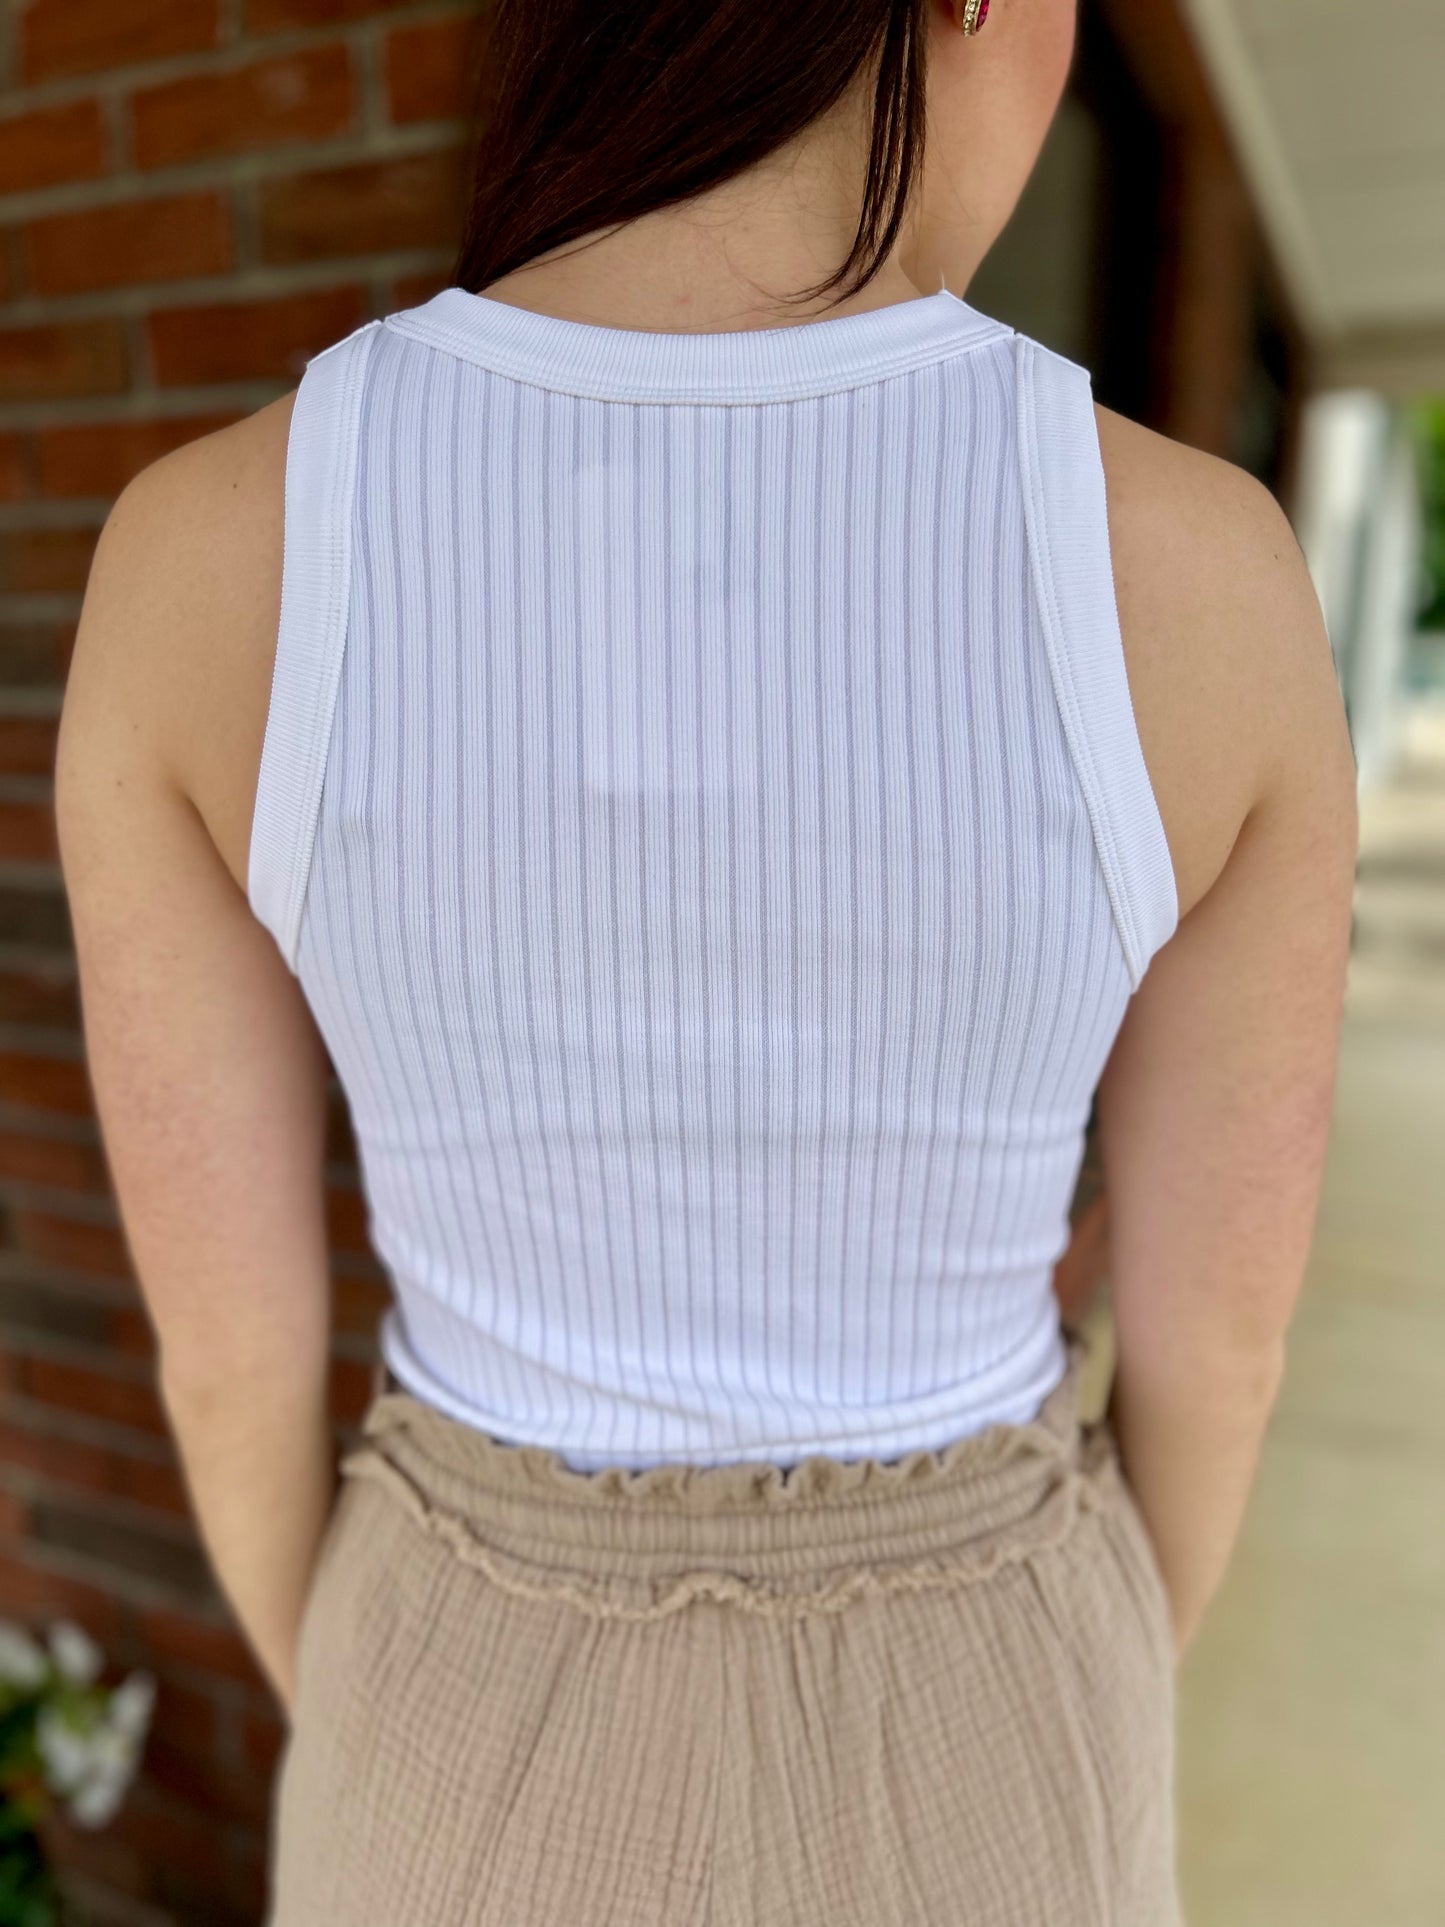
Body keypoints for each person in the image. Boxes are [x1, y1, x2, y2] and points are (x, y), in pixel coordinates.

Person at [54, 0, 1358, 1918]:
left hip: (451, 1682)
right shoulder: (1207, 573)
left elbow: (232, 1363)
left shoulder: (199, 557)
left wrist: (370, 1685)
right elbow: (1215, 1345)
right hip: (997, 1681)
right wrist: (1055, 1659)